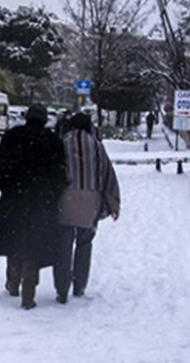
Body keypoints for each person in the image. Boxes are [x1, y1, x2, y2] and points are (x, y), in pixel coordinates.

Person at [0, 104, 67, 310]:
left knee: (14, 237)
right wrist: (53, 194)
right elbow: (59, 173)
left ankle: (13, 282)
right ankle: (29, 292)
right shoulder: (52, 141)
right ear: (45, 119)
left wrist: (6, 186)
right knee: (34, 245)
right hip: (42, 201)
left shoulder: (13, 136)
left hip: (14, 197)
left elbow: (1, 164)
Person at [53, 113, 121, 303]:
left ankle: (62, 289)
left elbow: (54, 171)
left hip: (65, 200)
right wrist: (114, 203)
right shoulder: (97, 146)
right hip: (91, 202)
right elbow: (108, 174)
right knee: (84, 244)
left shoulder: (62, 143)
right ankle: (79, 286)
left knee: (63, 246)